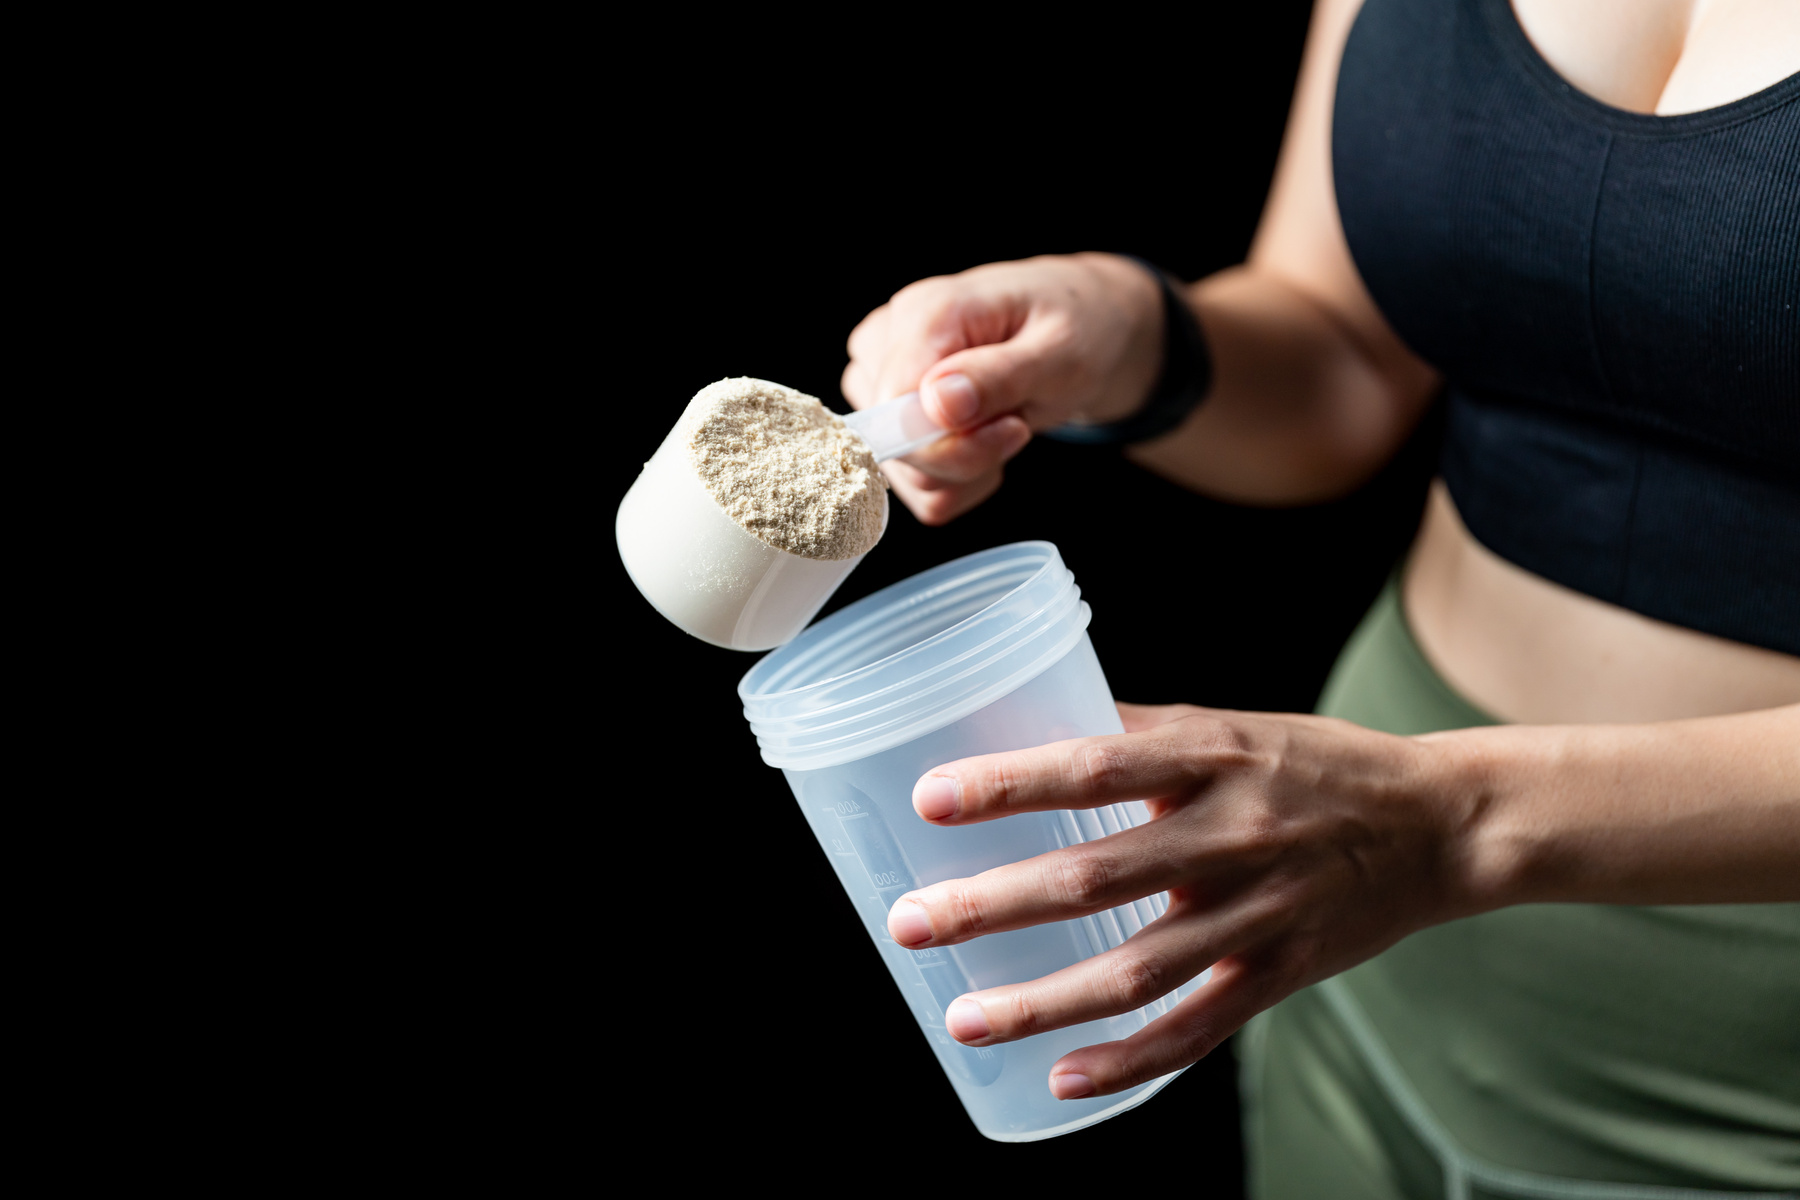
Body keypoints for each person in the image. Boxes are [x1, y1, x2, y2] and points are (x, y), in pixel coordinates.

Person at [839, 0, 1799, 1194]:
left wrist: (1458, 824)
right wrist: (1138, 339)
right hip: (1350, 917)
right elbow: (1343, 354)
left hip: (1748, 1052)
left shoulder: (1428, 830)